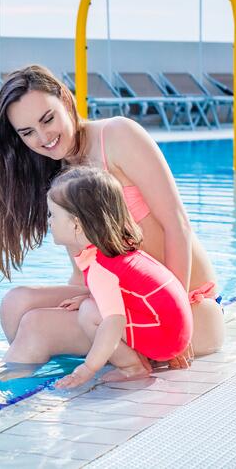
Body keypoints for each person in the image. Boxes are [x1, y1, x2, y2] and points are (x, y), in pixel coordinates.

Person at [0, 64, 224, 369]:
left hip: (184, 304)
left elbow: (177, 226)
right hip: (125, 299)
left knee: (36, 329)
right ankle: (57, 378)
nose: (44, 137)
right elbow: (84, 267)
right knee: (15, 304)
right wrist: (85, 301)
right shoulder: (59, 174)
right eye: (28, 132)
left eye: (48, 119)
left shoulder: (118, 136)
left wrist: (175, 318)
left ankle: (0, 398)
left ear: (65, 99)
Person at [45, 166, 192, 388]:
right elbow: (127, 292)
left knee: (89, 313)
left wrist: (88, 368)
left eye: (53, 215)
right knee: (90, 304)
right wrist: (89, 296)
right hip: (176, 332)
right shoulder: (115, 249)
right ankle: (140, 357)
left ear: (76, 224)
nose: (49, 221)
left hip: (166, 339)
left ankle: (132, 367)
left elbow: (114, 322)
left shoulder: (100, 268)